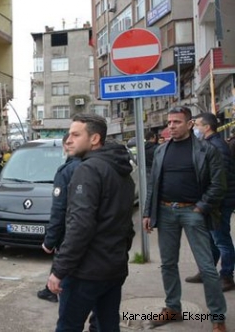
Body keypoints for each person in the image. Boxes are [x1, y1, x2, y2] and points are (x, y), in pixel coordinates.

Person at [47, 114, 135, 332]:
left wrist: (59, 270)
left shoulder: (88, 170)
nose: (69, 140)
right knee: (107, 326)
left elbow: (80, 226)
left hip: (86, 272)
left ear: (94, 139)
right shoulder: (120, 170)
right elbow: (125, 223)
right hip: (113, 268)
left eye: (76, 135)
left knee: (68, 326)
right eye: (69, 134)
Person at [143, 106, 226, 332]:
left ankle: (218, 318)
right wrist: (148, 212)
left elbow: (219, 184)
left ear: (190, 124)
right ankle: (173, 307)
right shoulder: (162, 150)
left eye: (177, 122)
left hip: (193, 212)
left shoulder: (207, 150)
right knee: (168, 264)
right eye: (169, 122)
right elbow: (154, 184)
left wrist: (201, 207)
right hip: (165, 211)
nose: (171, 126)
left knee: (207, 267)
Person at [185, 113, 235, 292]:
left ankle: (227, 276)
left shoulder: (217, 147)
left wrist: (209, 202)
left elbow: (219, 180)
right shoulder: (210, 144)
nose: (195, 128)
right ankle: (207, 271)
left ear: (207, 127)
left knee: (221, 239)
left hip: (220, 202)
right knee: (211, 239)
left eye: (197, 124)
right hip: (214, 202)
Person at [37, 132, 82, 303]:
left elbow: (59, 210)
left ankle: (53, 290)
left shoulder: (66, 171)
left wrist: (49, 241)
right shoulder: (97, 165)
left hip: (70, 231)